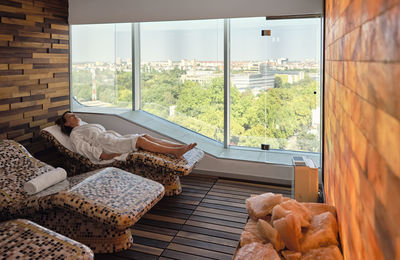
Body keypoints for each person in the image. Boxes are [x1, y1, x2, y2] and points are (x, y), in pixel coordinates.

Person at [55, 111, 197, 163]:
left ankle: (179, 147)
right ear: (67, 124)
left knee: (144, 136)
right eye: (70, 116)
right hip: (107, 145)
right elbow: (84, 149)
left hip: (112, 138)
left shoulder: (83, 126)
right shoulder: (75, 134)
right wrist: (105, 156)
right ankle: (175, 152)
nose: (74, 115)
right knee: (140, 141)